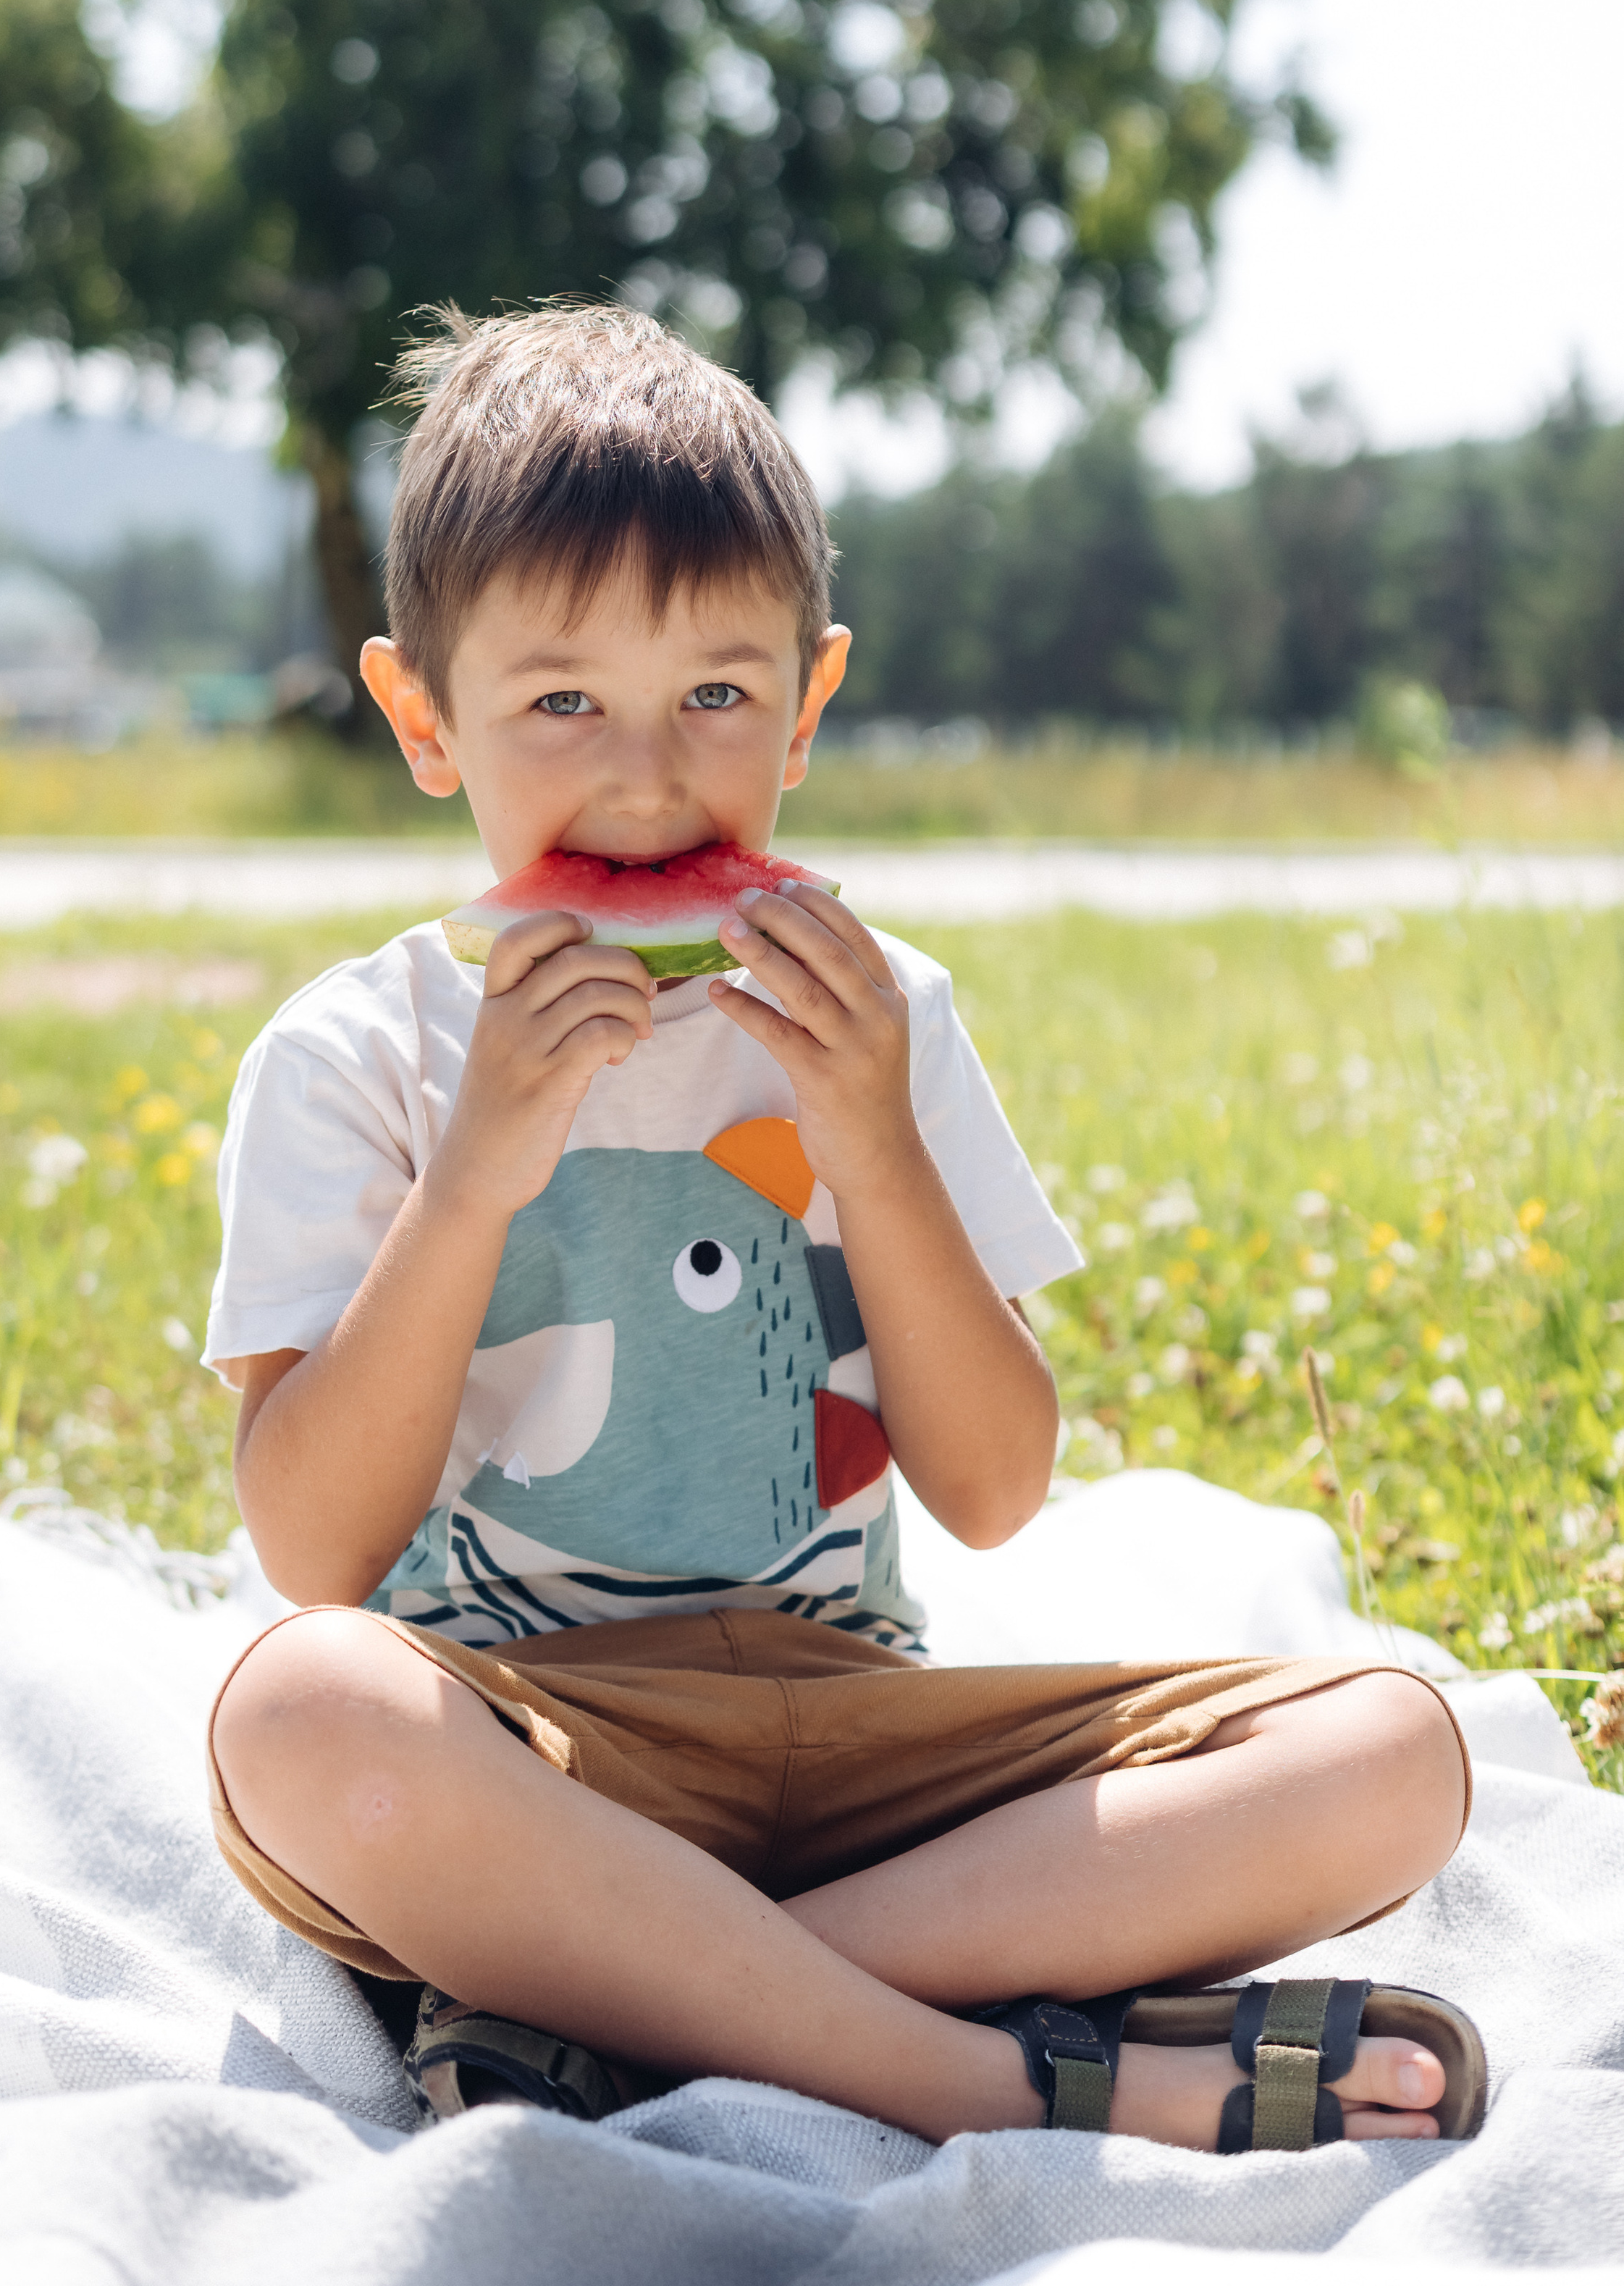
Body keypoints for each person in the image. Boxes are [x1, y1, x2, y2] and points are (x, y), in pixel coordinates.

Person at [203, 304, 1479, 2153]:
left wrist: (871, 1139)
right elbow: (316, 1550)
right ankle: (995, 2071)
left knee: (1394, 1752)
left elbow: (994, 1488)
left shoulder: (886, 1020)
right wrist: (474, 1170)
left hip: (863, 1749)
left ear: (807, 705)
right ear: (421, 718)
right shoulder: (356, 1055)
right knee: (299, 1713)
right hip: (538, 1758)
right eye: (561, 703)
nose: (646, 779)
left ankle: (641, 2011)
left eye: (716, 697)